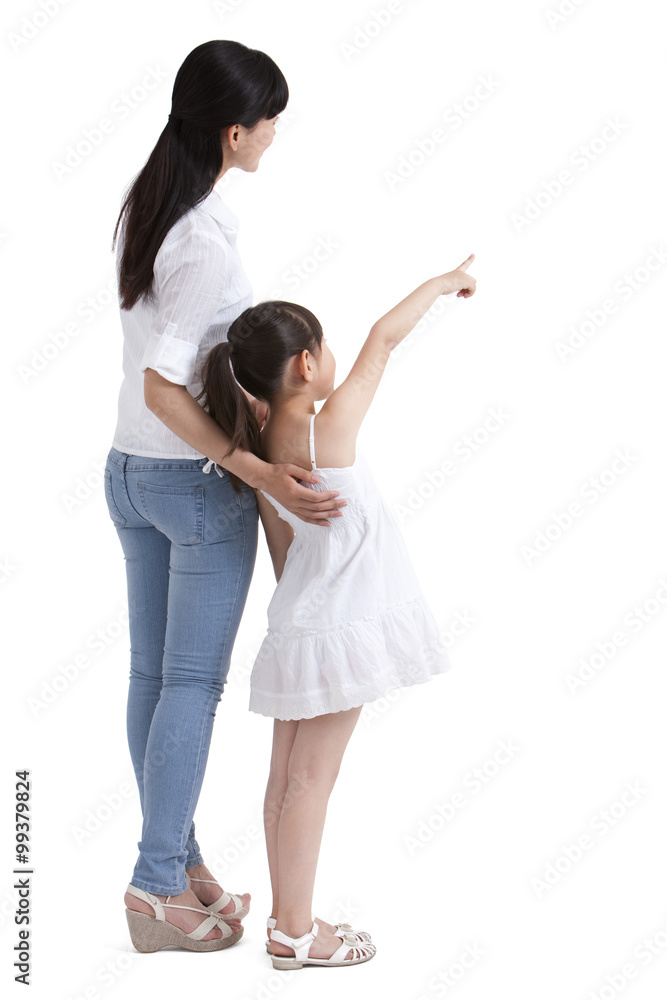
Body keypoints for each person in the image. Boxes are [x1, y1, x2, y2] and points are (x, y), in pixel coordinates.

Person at [105, 39, 349, 955]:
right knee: (191, 686)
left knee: (154, 682)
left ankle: (178, 861)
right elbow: (169, 384)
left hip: (128, 472)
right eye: (270, 118)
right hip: (194, 481)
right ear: (234, 129)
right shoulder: (202, 238)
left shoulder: (149, 202)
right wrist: (248, 467)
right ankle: (156, 885)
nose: (275, 134)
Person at [196, 253, 477, 968]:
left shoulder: (260, 444)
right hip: (341, 629)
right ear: (303, 367)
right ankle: (296, 934)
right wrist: (443, 283)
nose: (331, 357)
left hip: (298, 623)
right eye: (321, 347)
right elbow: (384, 338)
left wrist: (299, 607)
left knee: (285, 781)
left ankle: (289, 920)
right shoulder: (327, 433)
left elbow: (280, 546)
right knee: (311, 782)